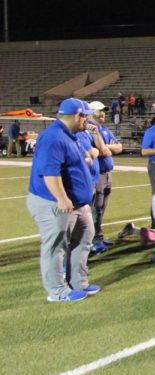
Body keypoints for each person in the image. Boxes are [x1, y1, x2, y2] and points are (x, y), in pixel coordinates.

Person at [26, 98, 100, 302]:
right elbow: (50, 172)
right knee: (56, 246)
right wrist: (62, 197)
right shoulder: (53, 137)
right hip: (55, 202)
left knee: (84, 238)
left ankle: (78, 282)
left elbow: (76, 160)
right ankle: (57, 291)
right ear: (78, 116)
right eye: (86, 116)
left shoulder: (70, 135)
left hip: (77, 203)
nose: (88, 120)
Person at [87, 101, 121, 254]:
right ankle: (93, 240)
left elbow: (119, 147)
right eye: (100, 111)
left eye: (104, 111)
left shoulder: (104, 130)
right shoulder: (87, 130)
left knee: (102, 208)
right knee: (96, 208)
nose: (103, 113)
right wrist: (106, 148)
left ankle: (98, 237)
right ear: (91, 112)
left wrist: (106, 148)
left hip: (107, 173)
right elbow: (99, 151)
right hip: (96, 174)